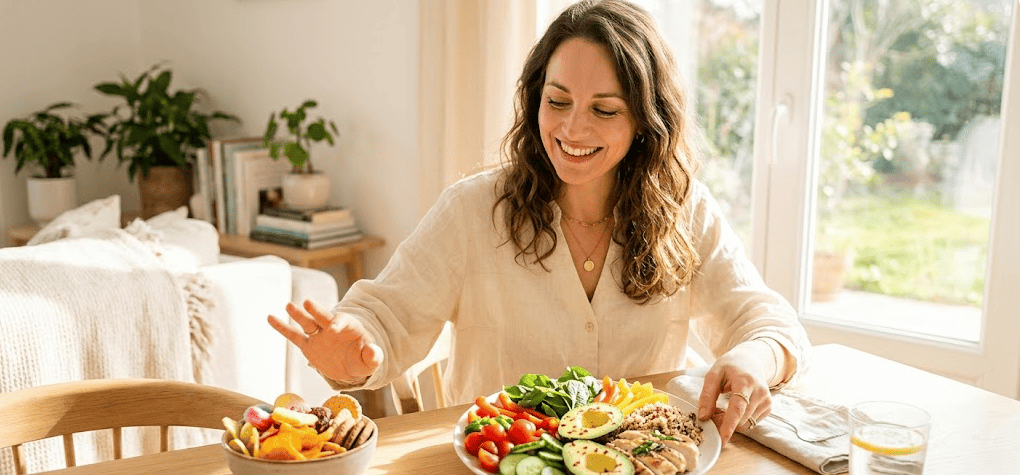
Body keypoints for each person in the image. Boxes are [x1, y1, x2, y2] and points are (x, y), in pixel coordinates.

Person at [268, 0, 810, 446]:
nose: (573, 128)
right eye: (558, 101)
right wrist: (355, 349)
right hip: (498, 459)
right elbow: (384, 317)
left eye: (604, 109)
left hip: (641, 457)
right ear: (535, 100)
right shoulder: (472, 209)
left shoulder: (683, 210)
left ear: (645, 120)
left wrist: (751, 358)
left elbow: (770, 324)